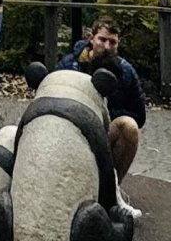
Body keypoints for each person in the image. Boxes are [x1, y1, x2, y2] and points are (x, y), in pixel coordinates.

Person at [46, 18, 147, 205]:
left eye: (112, 42)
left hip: (104, 130)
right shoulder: (70, 64)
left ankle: (110, 191)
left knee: (129, 127)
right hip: (70, 131)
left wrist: (109, 113)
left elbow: (139, 115)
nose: (107, 46)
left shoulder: (125, 71)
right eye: (102, 39)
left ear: (119, 43)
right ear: (91, 38)